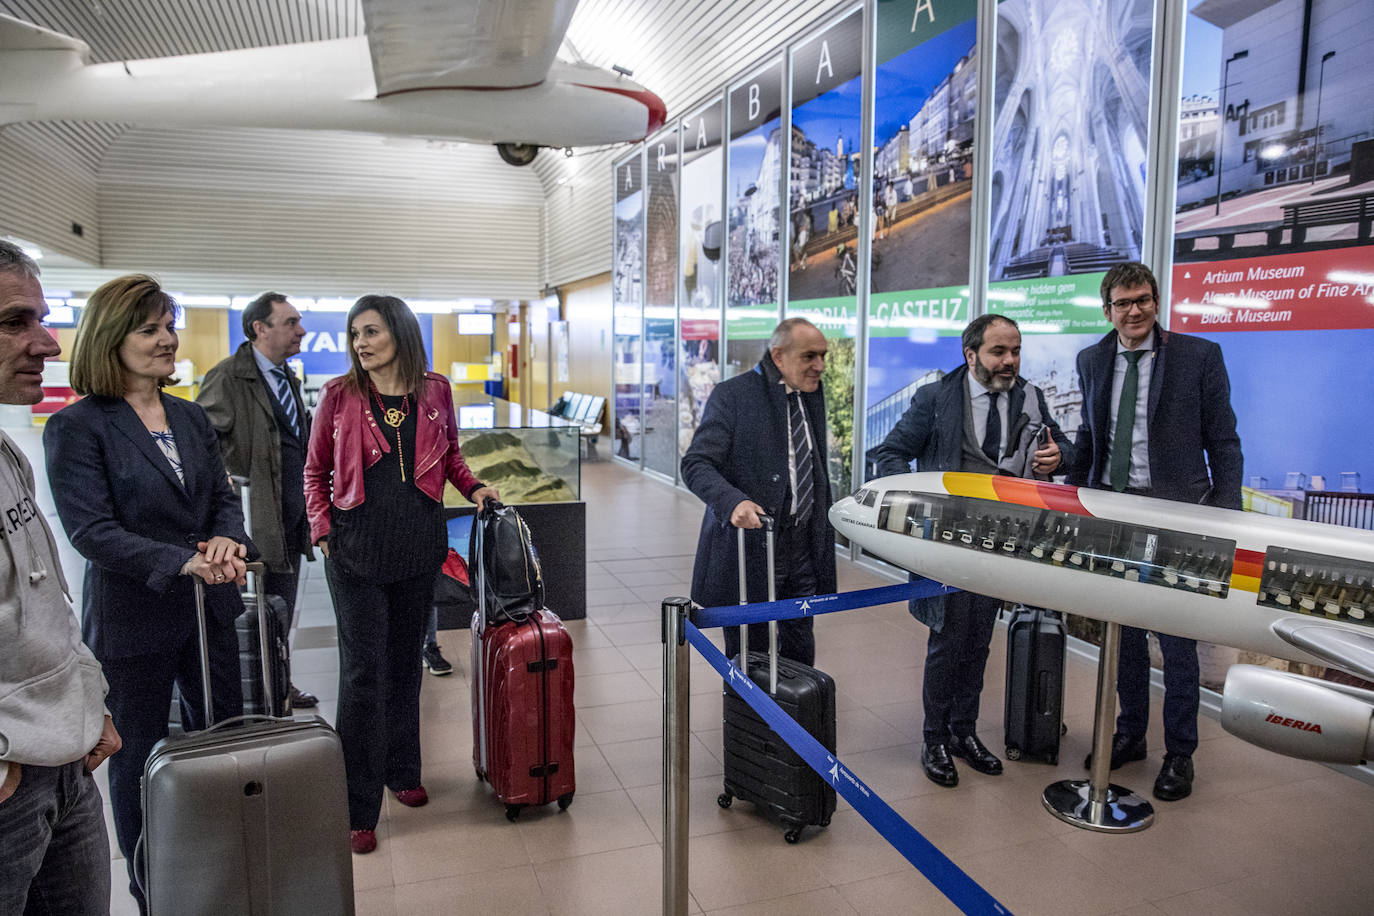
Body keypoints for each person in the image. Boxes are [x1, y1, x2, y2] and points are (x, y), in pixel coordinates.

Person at [44, 274, 250, 914]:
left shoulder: (188, 415)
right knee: (136, 758)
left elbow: (221, 496)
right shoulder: (78, 427)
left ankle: (224, 859)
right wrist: (183, 560)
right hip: (135, 618)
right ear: (112, 338)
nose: (168, 339)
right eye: (150, 329)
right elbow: (92, 532)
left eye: (169, 325)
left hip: (208, 608)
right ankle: (150, 881)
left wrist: (226, 541)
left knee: (220, 735)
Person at [304, 294, 497, 855]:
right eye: (355, 334)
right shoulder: (338, 396)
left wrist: (475, 487)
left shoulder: (434, 389)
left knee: (406, 666)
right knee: (363, 674)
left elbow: (452, 456)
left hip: (418, 546)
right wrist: (323, 533)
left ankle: (402, 771)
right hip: (356, 550)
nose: (361, 343)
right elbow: (314, 471)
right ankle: (357, 803)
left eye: (371, 332)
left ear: (401, 334)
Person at [1066, 261, 1242, 802]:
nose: (1134, 310)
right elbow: (1092, 437)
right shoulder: (1092, 359)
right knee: (1125, 637)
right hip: (1113, 515)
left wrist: (1224, 514)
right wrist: (1069, 496)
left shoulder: (1199, 356)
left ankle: (1180, 754)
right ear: (1108, 311)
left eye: (1143, 299)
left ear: (1156, 302)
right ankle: (1131, 734)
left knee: (1178, 640)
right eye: (1123, 303)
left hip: (1177, 517)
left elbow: (1225, 442)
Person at [870, 314, 1070, 788]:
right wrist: (917, 504)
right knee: (946, 642)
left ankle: (964, 732)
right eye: (999, 352)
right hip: (944, 544)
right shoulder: (936, 398)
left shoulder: (1030, 396)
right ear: (970, 354)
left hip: (1000, 544)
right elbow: (891, 453)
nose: (1010, 362)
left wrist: (1059, 455)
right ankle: (933, 738)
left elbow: (1062, 445)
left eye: (1016, 351)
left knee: (979, 640)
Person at [0, 240, 122, 915]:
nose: (45, 343)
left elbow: (48, 600)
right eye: (15, 322)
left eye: (40, 319)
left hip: (66, 762)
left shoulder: (7, 456)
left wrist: (88, 702)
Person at [681, 317, 835, 667]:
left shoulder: (809, 395)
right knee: (751, 652)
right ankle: (749, 719)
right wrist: (733, 501)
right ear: (778, 356)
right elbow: (697, 464)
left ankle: (795, 715)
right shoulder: (734, 396)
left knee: (800, 644)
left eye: (823, 356)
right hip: (751, 548)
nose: (820, 366)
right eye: (810, 356)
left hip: (803, 546)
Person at [197, 291, 319, 709]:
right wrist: (225, 484)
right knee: (250, 612)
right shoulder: (228, 377)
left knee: (282, 607)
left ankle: (279, 682)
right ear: (259, 329)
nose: (300, 330)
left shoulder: (286, 377)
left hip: (291, 517)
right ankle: (253, 689)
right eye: (290, 322)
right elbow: (202, 439)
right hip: (254, 519)